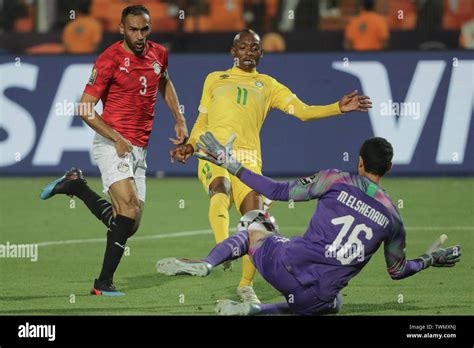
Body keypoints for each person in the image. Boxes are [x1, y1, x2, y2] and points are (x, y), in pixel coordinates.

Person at [157, 132, 462, 315]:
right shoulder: (393, 218)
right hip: (313, 297)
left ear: (359, 161)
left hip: (284, 265)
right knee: (333, 302)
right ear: (389, 168)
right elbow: (397, 271)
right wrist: (430, 259)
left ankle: (209, 262)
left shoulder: (335, 179)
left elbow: (275, 190)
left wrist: (230, 163)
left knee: (255, 224)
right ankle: (257, 310)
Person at [170, 29, 372, 304]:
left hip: (248, 161)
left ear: (261, 54)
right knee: (220, 189)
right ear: (233, 52)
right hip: (212, 154)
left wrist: (336, 107)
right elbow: (201, 122)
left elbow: (303, 111)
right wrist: (191, 146)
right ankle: (222, 248)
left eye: (254, 48)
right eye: (243, 47)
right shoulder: (214, 79)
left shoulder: (268, 85)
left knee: (257, 222)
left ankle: (245, 285)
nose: (248, 53)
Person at [40, 5, 189, 296]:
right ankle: (103, 283)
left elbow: (164, 80)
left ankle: (77, 186)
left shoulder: (159, 53)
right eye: (133, 29)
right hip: (112, 144)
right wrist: (116, 137)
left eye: (144, 29)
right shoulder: (109, 59)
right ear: (122, 29)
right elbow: (84, 108)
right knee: (129, 209)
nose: (139, 35)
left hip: (140, 150)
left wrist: (180, 119)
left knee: (128, 224)